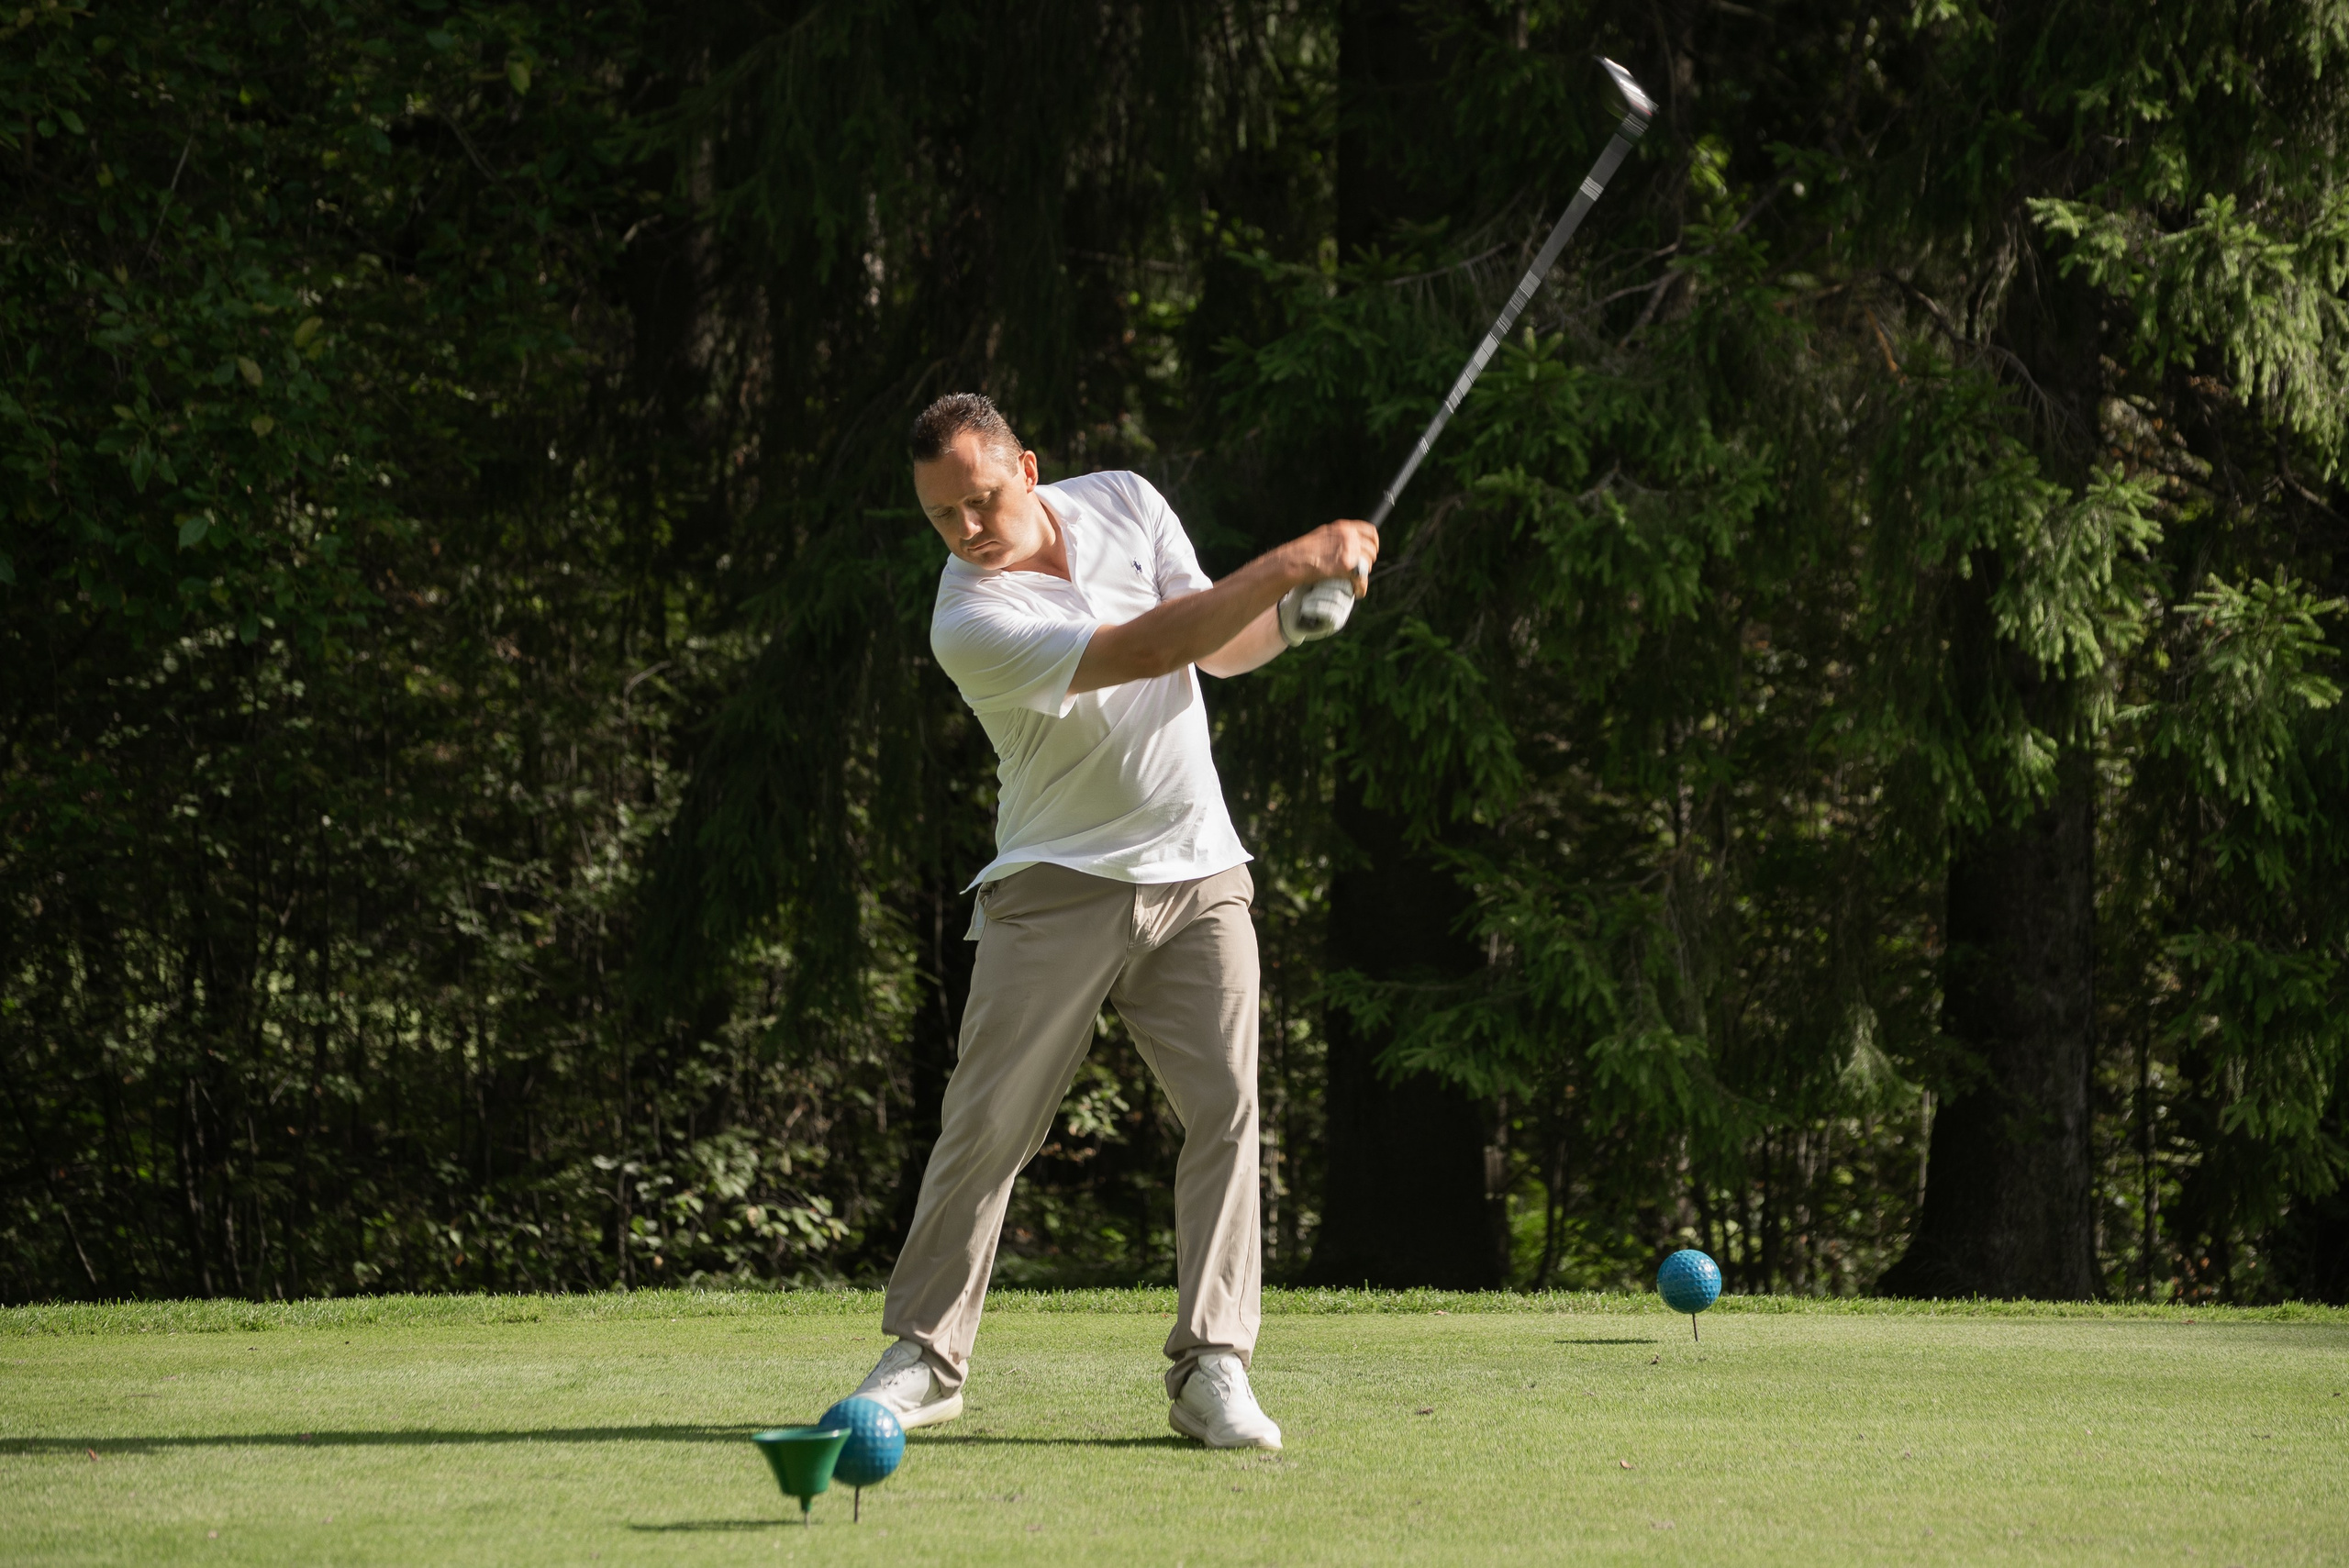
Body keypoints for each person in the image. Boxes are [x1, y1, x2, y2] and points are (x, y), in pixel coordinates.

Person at [838, 393, 1377, 1451]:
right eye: (941, 515)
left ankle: (1213, 1366)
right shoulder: (967, 617)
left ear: (1027, 469)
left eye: (981, 500)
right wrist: (1289, 561)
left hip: (1198, 865)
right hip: (1054, 881)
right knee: (988, 1124)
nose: (966, 529)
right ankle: (925, 1358)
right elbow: (1141, 650)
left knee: (1226, 1110)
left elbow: (1215, 646)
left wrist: (1292, 614)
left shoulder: (1126, 500)